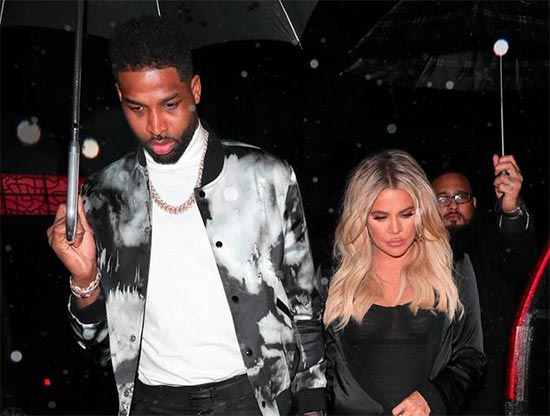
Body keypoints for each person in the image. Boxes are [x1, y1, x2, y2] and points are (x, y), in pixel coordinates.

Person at [46, 15, 326, 416]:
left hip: (251, 397)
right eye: (137, 108)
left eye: (169, 104)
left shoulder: (265, 177)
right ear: (119, 96)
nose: (155, 125)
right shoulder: (103, 197)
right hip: (153, 402)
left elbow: (304, 304)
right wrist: (85, 280)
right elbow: (99, 346)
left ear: (195, 89)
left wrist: (312, 401)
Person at [323, 149, 486, 416]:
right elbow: (318, 367)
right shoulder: (336, 277)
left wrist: (433, 397)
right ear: (361, 217)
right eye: (380, 217)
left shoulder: (452, 269)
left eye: (406, 214)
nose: (395, 229)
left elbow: (471, 356)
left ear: (421, 212)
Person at [432, 154, 538, 415]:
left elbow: (518, 254)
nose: (452, 205)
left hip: (490, 390)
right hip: (431, 393)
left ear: (475, 203)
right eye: (442, 198)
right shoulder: (412, 254)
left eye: (461, 197)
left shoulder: (491, 245)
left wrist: (511, 209)